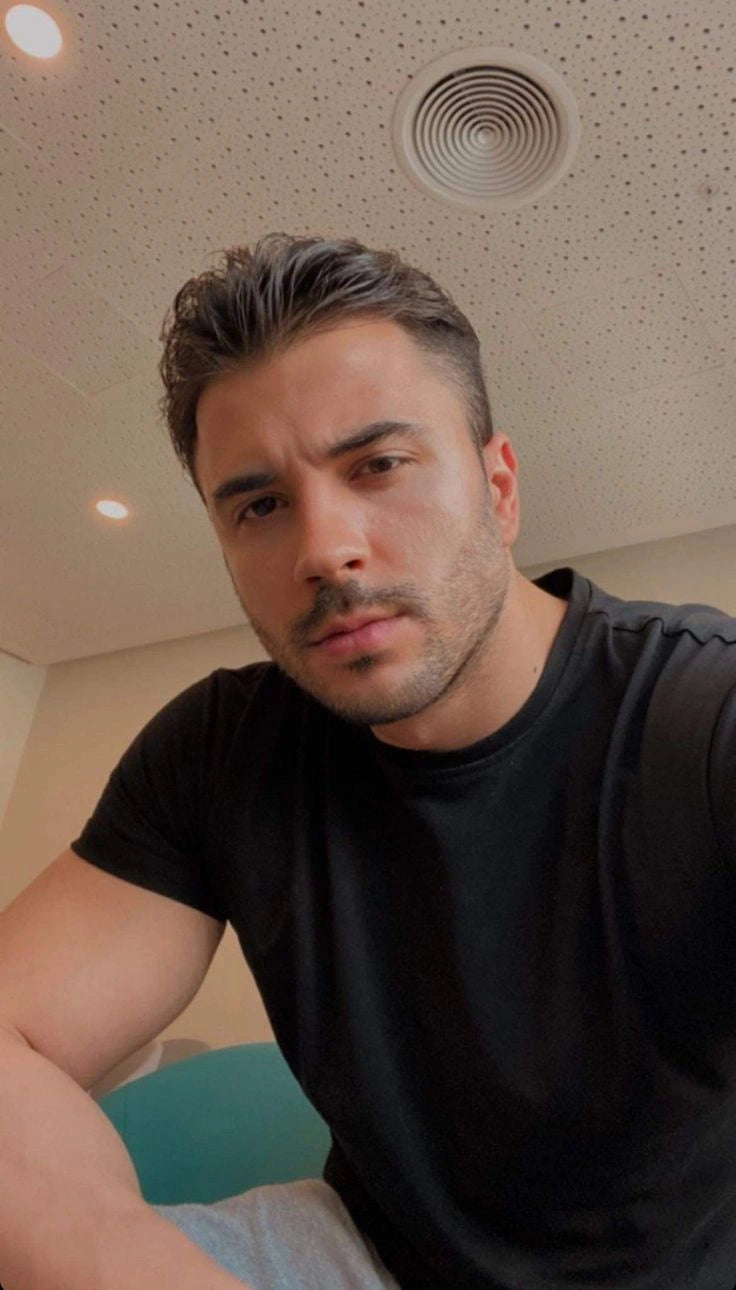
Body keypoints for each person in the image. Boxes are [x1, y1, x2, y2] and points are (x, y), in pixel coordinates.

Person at [0, 234, 734, 1290]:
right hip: (362, 1257)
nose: (323, 549)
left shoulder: (700, 715)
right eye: (259, 504)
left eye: (378, 465)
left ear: (499, 487)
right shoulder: (221, 750)